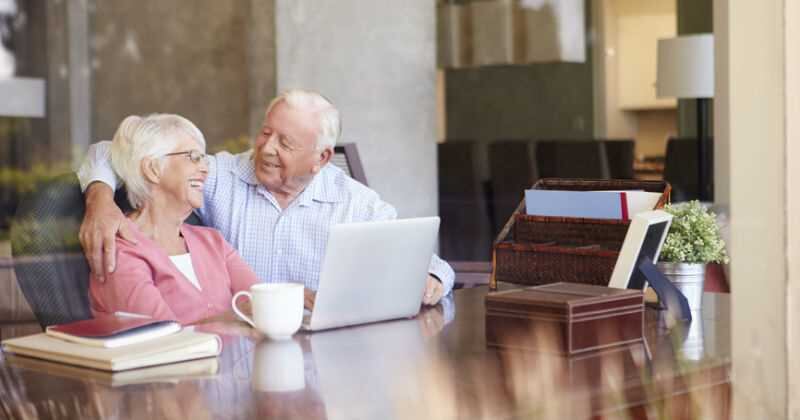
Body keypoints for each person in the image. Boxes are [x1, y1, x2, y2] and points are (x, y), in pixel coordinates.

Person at [78, 89, 454, 306]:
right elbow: (117, 151)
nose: (266, 149)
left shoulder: (355, 203)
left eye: (285, 143)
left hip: (321, 360)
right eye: (265, 133)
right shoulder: (220, 175)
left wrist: (430, 277)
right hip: (240, 357)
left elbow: (431, 263)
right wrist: (99, 200)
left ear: (322, 158)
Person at [88, 114, 259, 324]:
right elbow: (164, 338)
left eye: (204, 159)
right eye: (194, 157)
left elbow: (261, 306)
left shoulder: (213, 242)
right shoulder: (120, 251)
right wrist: (239, 321)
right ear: (152, 169)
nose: (205, 169)